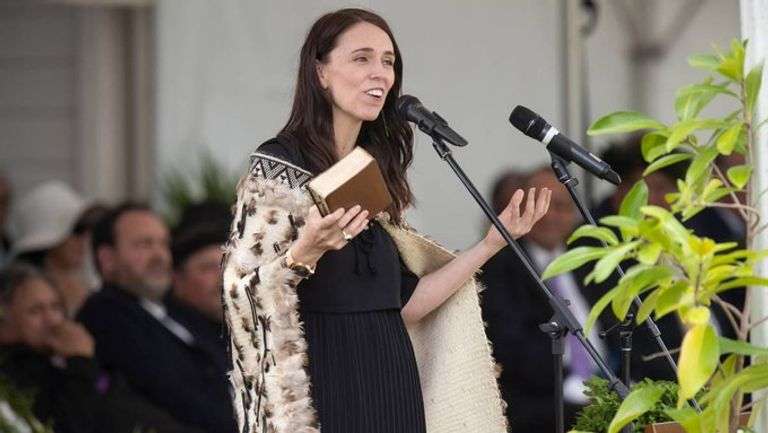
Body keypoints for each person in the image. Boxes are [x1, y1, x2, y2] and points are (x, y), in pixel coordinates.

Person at [220, 8, 551, 433]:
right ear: (320, 72)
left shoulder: (373, 171)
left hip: (391, 383)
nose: (380, 73)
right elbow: (239, 288)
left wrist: (492, 243)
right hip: (325, 385)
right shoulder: (278, 166)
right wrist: (305, 252)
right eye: (362, 58)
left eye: (388, 61)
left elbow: (407, 305)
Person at [77, 203, 236, 433]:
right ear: (107, 259)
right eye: (144, 245)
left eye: (163, 244)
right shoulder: (105, 315)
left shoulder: (175, 310)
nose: (159, 255)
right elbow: (169, 393)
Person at [481, 167, 606, 432]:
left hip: (608, 382)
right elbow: (509, 348)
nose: (550, 215)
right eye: (541, 205)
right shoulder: (500, 267)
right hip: (543, 398)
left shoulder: (589, 259)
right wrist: (574, 385)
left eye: (561, 206)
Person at [0, 262, 100, 433]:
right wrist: (81, 363)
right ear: (4, 317)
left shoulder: (53, 358)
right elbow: (69, 424)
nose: (51, 320)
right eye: (35, 311)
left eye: (55, 307)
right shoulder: (13, 373)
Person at [10, 181, 100, 316]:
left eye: (88, 228)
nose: (85, 238)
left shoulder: (89, 278)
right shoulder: (20, 290)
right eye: (78, 229)